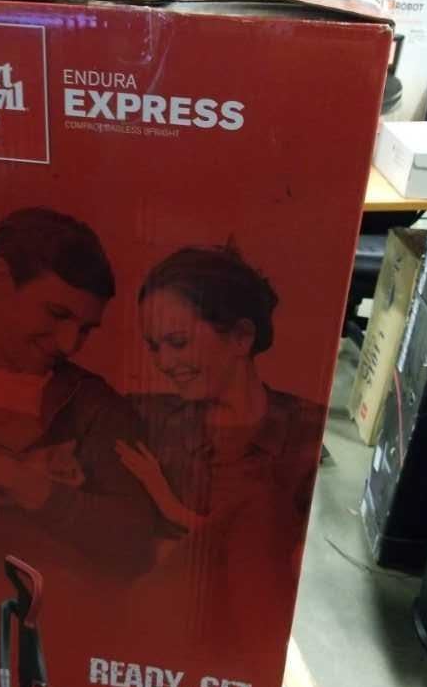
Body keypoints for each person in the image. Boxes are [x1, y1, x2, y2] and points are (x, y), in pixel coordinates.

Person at [115, 245, 325, 639]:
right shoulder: (144, 418)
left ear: (241, 337)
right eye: (154, 347)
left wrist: (167, 504)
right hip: (158, 634)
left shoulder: (309, 432)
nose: (163, 363)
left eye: (178, 342)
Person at [0, 207, 154, 584]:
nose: (70, 344)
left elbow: (137, 544)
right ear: (0, 280)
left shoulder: (94, 407)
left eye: (85, 329)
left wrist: (21, 482)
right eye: (57, 313)